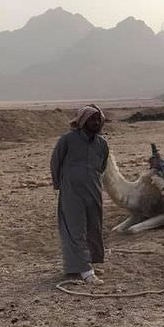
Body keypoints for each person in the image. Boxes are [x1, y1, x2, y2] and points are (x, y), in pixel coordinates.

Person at [50, 105, 109, 284]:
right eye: (92, 119)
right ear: (82, 121)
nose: (96, 122)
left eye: (98, 119)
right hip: (72, 192)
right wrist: (62, 185)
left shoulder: (102, 144)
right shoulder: (67, 140)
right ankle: (84, 270)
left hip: (93, 190)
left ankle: (88, 262)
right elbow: (55, 162)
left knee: (93, 227)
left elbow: (102, 166)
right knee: (75, 229)